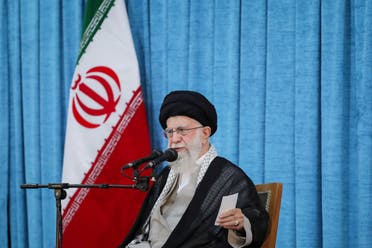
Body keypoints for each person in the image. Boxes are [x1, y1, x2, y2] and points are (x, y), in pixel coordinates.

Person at [120, 90, 268, 248]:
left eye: (182, 131)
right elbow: (146, 228)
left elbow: (257, 219)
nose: (175, 139)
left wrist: (242, 223)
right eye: (170, 132)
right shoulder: (165, 176)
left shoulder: (227, 177)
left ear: (205, 133)